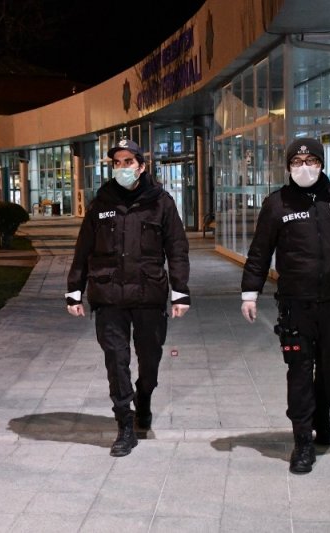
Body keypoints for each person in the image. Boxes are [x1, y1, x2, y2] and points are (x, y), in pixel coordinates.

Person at [240, 137, 330, 474]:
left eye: (311, 162)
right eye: (297, 162)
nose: (304, 168)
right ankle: (303, 440)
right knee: (300, 371)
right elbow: (260, 252)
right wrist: (250, 293)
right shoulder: (277, 204)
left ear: (321, 164)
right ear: (288, 166)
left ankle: (322, 416)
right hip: (296, 305)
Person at [65, 139, 191, 457]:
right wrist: (74, 290)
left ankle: (143, 397)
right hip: (108, 296)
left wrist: (180, 292)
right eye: (116, 162)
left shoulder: (161, 202)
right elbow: (83, 249)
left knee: (150, 360)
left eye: (128, 161)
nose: (122, 167)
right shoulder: (100, 203)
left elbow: (177, 249)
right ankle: (124, 425)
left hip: (149, 295)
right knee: (116, 360)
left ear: (141, 166)